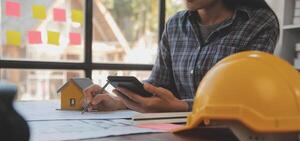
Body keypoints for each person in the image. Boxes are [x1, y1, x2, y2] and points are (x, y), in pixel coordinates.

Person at [84, 0, 279, 113]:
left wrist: (183, 106)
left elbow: (246, 98)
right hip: (175, 133)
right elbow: (160, 85)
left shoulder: (259, 22)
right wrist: (119, 102)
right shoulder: (175, 24)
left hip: (230, 138)